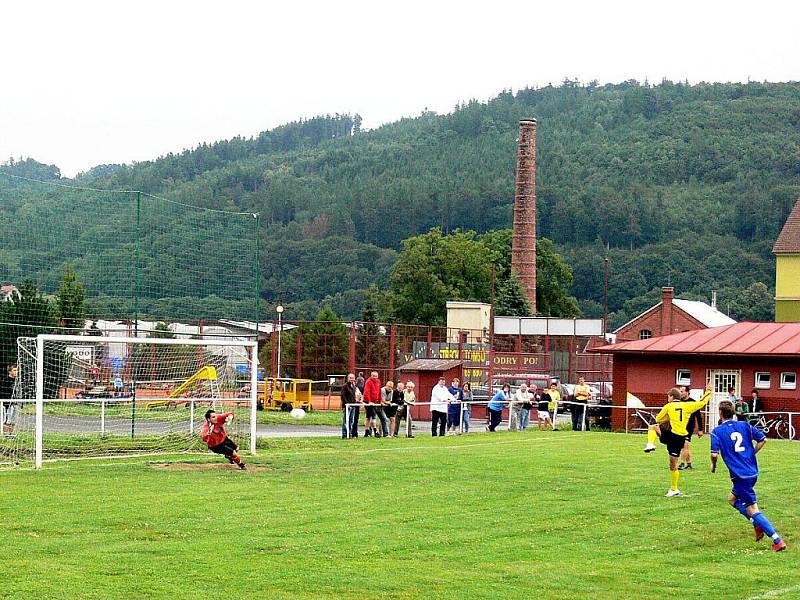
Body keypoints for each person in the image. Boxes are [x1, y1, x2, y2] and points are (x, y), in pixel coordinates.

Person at [710, 400, 786, 552]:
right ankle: (756, 524)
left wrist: (714, 465)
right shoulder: (744, 425)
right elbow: (763, 439)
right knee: (732, 500)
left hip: (740, 476)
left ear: (720, 413)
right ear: (733, 412)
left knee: (753, 509)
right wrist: (751, 454)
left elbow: (714, 454)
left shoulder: (717, 431)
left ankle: (777, 540)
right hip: (752, 472)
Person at [644, 384, 711, 497]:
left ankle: (650, 444)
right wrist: (708, 390)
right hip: (680, 438)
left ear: (671, 396)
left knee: (652, 427)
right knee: (673, 464)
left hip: (671, 436)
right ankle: (674, 489)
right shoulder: (688, 405)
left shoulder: (668, 406)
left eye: (668, 397)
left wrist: (669, 417)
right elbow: (703, 402)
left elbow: (658, 419)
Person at [678, 385, 704, 471]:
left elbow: (698, 417)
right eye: (680, 391)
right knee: (686, 446)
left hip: (688, 427)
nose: (680, 393)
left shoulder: (693, 402)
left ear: (687, 392)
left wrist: (700, 429)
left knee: (684, 445)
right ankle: (689, 464)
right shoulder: (679, 402)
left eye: (682, 391)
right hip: (680, 426)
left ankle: (682, 463)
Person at [362, 371, 386, 437]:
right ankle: (375, 431)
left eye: (376, 376)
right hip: (368, 402)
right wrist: (369, 401)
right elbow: (367, 392)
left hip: (375, 402)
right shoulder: (368, 382)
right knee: (373, 416)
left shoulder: (378, 381)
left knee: (368, 417)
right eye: (373, 376)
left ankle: (367, 431)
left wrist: (380, 401)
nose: (375, 377)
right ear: (371, 376)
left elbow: (379, 392)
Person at [340, 373, 359, 439]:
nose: (351, 379)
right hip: (347, 406)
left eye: (352, 378)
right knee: (345, 420)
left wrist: (356, 401)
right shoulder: (345, 386)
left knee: (351, 420)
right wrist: (347, 404)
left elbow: (354, 395)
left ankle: (350, 433)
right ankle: (345, 434)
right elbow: (343, 396)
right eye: (350, 378)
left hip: (353, 405)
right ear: (348, 378)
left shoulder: (354, 386)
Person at [1, 364, 17, 436]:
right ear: (9, 372)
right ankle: (6, 435)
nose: (17, 372)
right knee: (7, 420)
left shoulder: (17, 381)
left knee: (13, 421)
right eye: (14, 370)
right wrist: (6, 403)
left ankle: (12, 435)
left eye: (17, 370)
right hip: (7, 404)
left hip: (16, 403)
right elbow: (3, 393)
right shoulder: (5, 381)